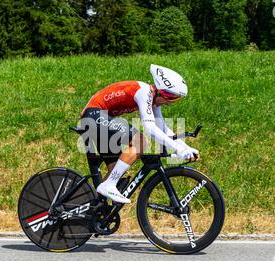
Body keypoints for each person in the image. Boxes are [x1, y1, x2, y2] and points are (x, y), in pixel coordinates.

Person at [80, 65, 199, 204]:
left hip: (101, 118)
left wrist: (185, 147)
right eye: (171, 98)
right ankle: (108, 185)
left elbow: (162, 128)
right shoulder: (144, 93)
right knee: (141, 142)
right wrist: (178, 149)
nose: (170, 103)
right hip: (94, 114)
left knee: (116, 170)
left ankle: (93, 210)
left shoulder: (154, 99)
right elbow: (150, 128)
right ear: (162, 92)